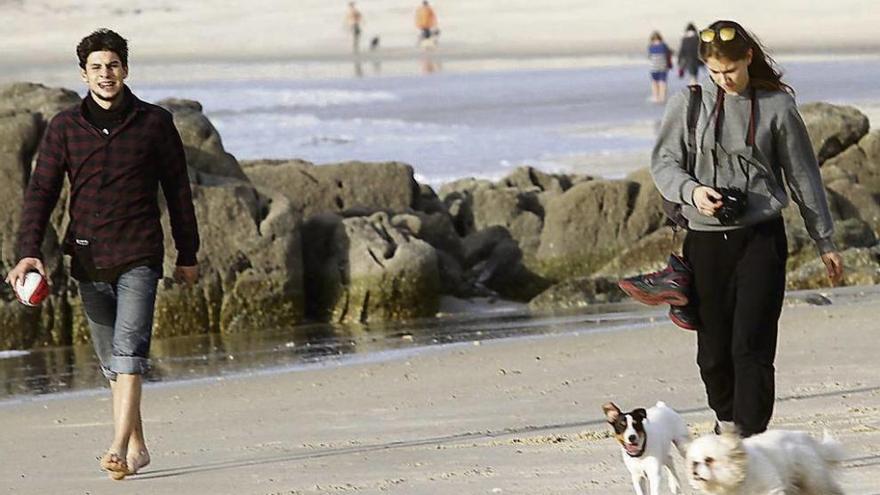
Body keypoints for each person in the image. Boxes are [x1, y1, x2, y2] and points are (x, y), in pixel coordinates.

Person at [5, 29, 199, 479]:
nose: (105, 74)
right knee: (113, 363)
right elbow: (41, 193)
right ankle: (138, 446)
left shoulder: (155, 123)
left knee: (129, 350)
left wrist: (187, 253)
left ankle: (115, 447)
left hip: (140, 255)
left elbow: (178, 192)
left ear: (125, 69)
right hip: (88, 258)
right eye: (96, 67)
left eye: (112, 65)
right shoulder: (65, 128)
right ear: (83, 74)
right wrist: (27, 252)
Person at [649, 20, 843, 437]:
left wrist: (824, 239)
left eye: (731, 71)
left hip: (760, 239)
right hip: (704, 241)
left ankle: (749, 438)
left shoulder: (776, 106)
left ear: (747, 58)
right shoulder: (689, 103)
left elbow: (803, 175)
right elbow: (664, 163)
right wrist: (694, 191)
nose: (724, 80)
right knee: (714, 354)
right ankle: (726, 423)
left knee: (751, 345)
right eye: (715, 73)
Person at [648, 31, 672, 103]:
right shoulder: (663, 45)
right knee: (662, 82)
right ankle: (662, 97)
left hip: (653, 67)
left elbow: (649, 56)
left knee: (654, 82)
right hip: (663, 67)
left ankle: (656, 97)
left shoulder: (651, 46)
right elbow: (669, 52)